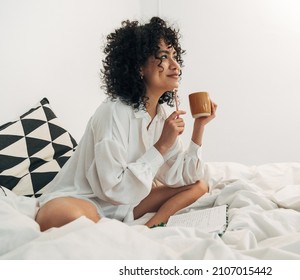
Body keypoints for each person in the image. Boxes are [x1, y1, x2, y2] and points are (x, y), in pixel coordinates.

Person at [35, 17, 217, 231]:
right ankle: (107, 229)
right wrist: (162, 146)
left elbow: (182, 176)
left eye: (175, 56)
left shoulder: (162, 117)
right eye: (164, 57)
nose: (175, 66)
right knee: (58, 216)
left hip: (125, 206)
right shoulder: (113, 111)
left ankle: (148, 228)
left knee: (199, 185)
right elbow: (112, 188)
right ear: (139, 66)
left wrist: (199, 127)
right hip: (85, 200)